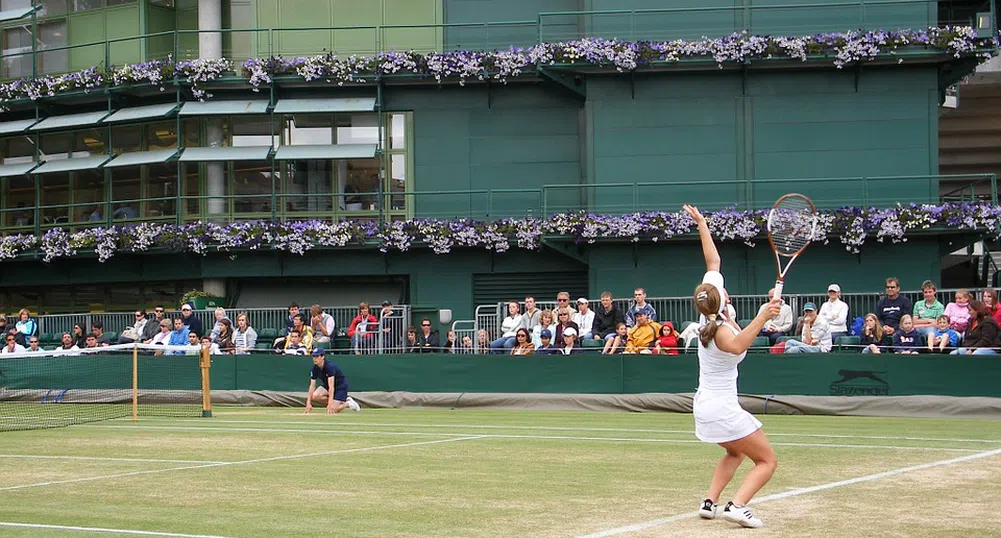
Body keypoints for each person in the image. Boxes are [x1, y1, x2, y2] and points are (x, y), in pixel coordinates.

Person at [686, 204, 780, 529]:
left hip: (706, 407)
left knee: (734, 454)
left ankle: (708, 503)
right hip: (721, 409)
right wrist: (763, 316)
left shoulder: (708, 308)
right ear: (722, 299)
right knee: (767, 460)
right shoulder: (724, 332)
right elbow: (739, 345)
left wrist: (701, 224)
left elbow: (713, 261)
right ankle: (737, 506)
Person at [304, 348, 361, 414]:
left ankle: (348, 403)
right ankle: (335, 402)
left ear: (323, 357)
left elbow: (331, 386)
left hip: (340, 386)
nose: (314, 358)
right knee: (315, 396)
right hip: (327, 385)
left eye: (317, 356)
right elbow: (312, 386)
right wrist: (308, 403)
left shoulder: (329, 367)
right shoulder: (315, 368)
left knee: (333, 410)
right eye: (313, 356)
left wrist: (330, 404)